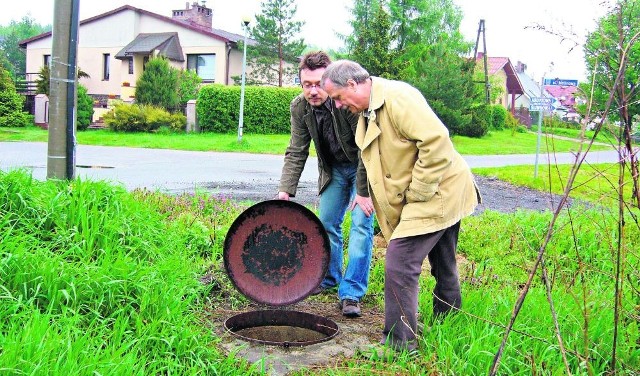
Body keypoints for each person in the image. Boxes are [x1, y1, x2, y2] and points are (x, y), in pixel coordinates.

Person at [320, 60, 481, 351]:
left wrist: (417, 192)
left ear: (353, 84)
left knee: (399, 261)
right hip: (435, 190)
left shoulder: (397, 98)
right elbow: (374, 161)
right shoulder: (367, 112)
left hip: (439, 190)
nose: (339, 105)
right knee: (444, 263)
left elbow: (437, 142)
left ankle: (399, 345)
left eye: (339, 97)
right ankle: (449, 323)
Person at [278, 51, 375, 318]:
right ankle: (331, 278)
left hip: (361, 169)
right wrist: (285, 191)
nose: (313, 91)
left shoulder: (345, 101)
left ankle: (352, 292)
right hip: (333, 172)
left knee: (360, 223)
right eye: (306, 84)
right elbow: (296, 149)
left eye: (318, 83)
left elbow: (366, 148)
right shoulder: (299, 107)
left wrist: (365, 194)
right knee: (327, 222)